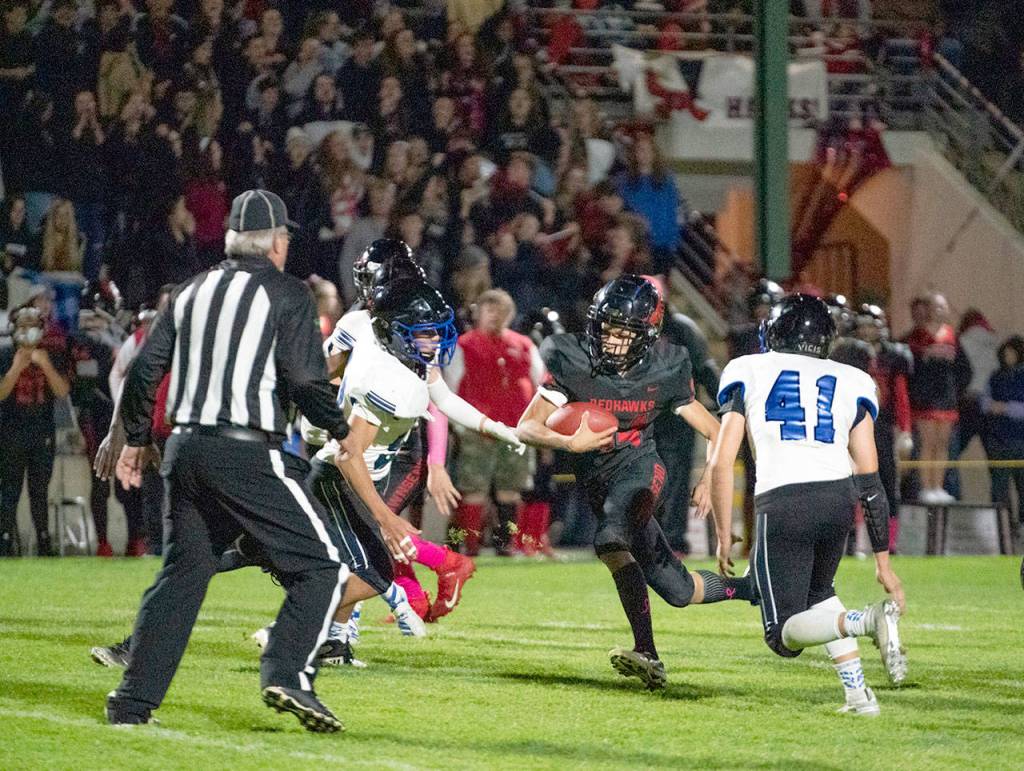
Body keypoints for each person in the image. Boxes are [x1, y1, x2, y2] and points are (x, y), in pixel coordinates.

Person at [104, 189, 358, 732]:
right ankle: (288, 674)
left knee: (182, 575)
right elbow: (306, 380)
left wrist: (135, 439)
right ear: (277, 242)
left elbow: (145, 370)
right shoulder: (288, 294)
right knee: (323, 566)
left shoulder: (191, 290)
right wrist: (341, 430)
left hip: (184, 449)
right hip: (245, 450)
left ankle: (131, 702)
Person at [517, 275, 756, 690]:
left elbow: (715, 430)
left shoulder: (667, 366)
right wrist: (567, 442)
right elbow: (526, 427)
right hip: (598, 482)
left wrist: (707, 476)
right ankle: (756, 589)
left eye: (624, 333)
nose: (612, 341)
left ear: (647, 335)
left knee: (611, 539)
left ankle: (647, 652)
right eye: (607, 329)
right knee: (679, 590)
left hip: (641, 470)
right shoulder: (573, 358)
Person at [710, 294, 907, 716]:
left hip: (783, 500)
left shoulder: (747, 368)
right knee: (820, 594)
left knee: (782, 635)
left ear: (775, 332)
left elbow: (722, 461)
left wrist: (724, 533)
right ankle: (858, 695)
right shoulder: (854, 379)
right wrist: (883, 562)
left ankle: (865, 621)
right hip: (837, 501)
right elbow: (870, 479)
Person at [446, 289, 543, 556]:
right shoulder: (463, 345)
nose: (495, 316)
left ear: (510, 315)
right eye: (489, 310)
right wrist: (455, 425)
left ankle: (504, 544)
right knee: (472, 488)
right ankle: (470, 545)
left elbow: (539, 382)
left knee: (510, 489)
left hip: (515, 429)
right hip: (476, 429)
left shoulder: (524, 345)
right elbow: (450, 386)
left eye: (501, 311)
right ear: (479, 313)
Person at [0, 296, 71, 556]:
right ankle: (5, 540)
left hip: (42, 433)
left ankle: (43, 540)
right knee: (9, 490)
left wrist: (46, 365)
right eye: (22, 325)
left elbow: (62, 391)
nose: (27, 330)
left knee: (39, 490)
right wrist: (16, 368)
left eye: (32, 325)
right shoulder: (5, 355)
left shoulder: (51, 355)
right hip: (10, 432)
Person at [902, 293, 970, 503]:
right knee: (927, 443)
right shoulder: (917, 335)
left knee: (942, 444)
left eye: (943, 306)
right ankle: (926, 487)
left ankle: (938, 487)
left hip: (947, 398)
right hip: (925, 398)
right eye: (936, 306)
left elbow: (964, 369)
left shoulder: (952, 335)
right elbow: (909, 368)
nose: (940, 310)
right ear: (928, 309)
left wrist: (956, 391)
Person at [983, 336, 1024, 530]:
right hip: (998, 440)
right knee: (999, 487)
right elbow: (985, 402)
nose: (1008, 357)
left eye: (1012, 353)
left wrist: (1006, 408)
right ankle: (1004, 527)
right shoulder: (996, 376)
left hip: (1020, 440)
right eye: (1005, 353)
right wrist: (991, 406)